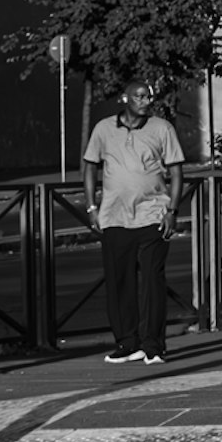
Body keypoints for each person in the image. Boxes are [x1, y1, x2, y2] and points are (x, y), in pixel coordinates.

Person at [83, 82, 186, 365]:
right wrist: (92, 206)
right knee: (119, 282)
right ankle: (128, 343)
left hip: (153, 215)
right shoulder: (104, 129)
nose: (145, 100)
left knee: (153, 280)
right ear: (125, 98)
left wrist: (172, 211)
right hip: (114, 218)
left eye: (148, 96)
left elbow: (176, 172)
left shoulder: (162, 128)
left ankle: (153, 345)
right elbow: (90, 166)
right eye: (139, 96)